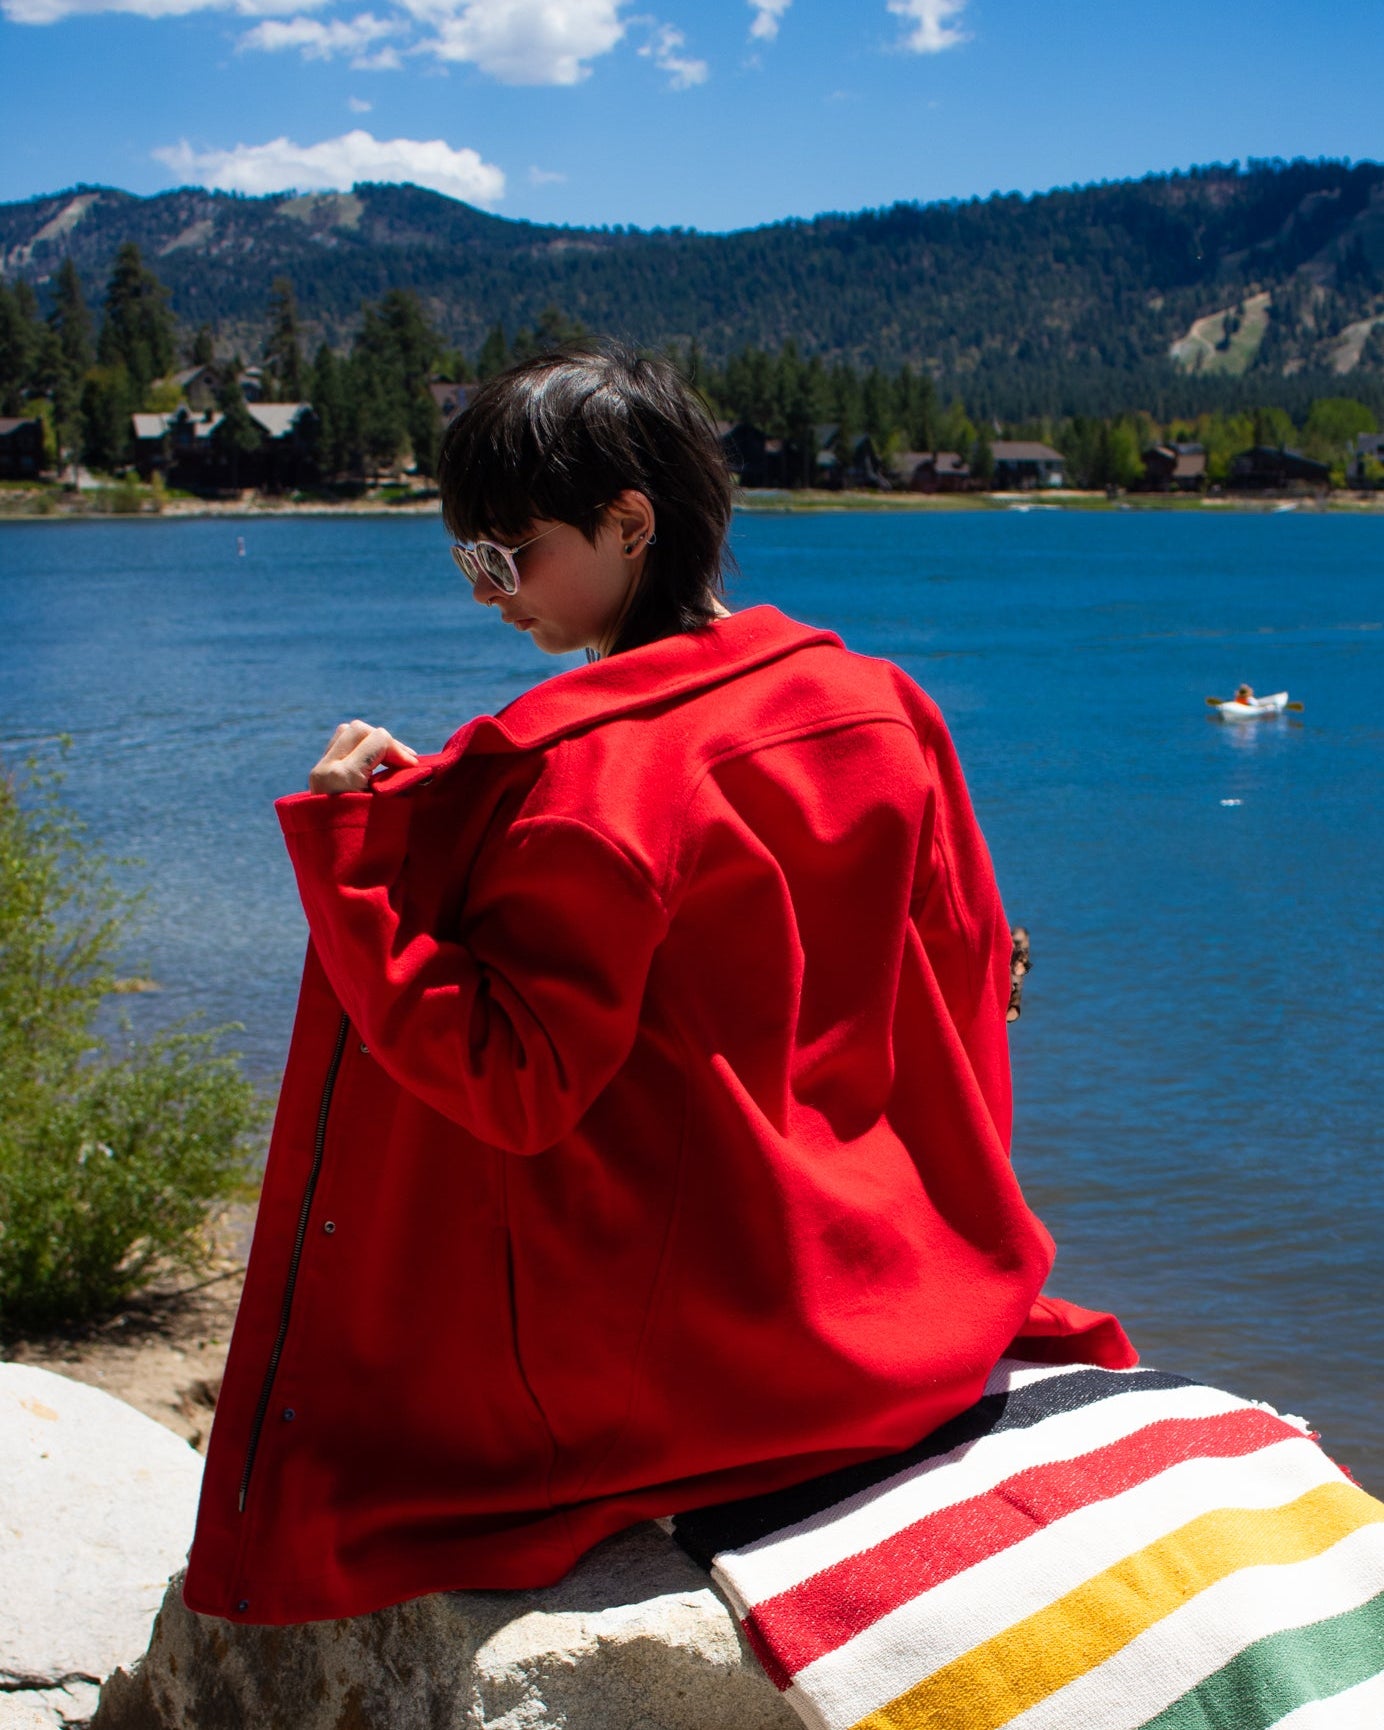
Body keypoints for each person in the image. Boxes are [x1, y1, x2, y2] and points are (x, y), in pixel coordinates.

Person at [183, 343, 1132, 1627]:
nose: (487, 594)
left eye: (506, 554)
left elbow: (509, 1087)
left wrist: (357, 872)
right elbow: (965, 985)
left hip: (713, 1383)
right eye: (466, 559)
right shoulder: (880, 703)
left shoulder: (592, 783)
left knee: (356, 1461)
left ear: (630, 524)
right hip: (914, 1317)